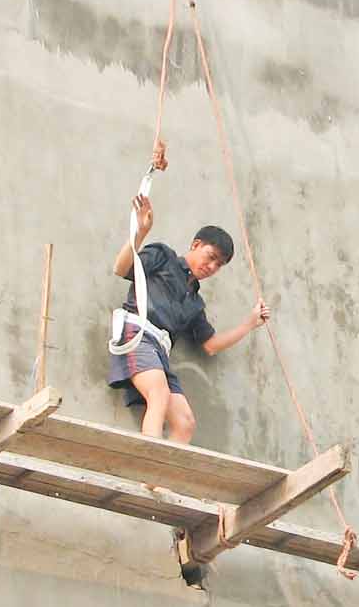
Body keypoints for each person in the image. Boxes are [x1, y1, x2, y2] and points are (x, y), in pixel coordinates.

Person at [106, 143, 270, 443]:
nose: (212, 266)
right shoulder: (163, 256)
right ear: (195, 245)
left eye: (218, 264)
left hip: (159, 351)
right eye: (210, 256)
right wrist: (140, 233)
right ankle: (150, 458)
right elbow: (121, 268)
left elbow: (210, 345)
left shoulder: (194, 303)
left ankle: (155, 484)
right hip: (137, 335)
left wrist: (250, 322)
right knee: (158, 393)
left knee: (185, 422)